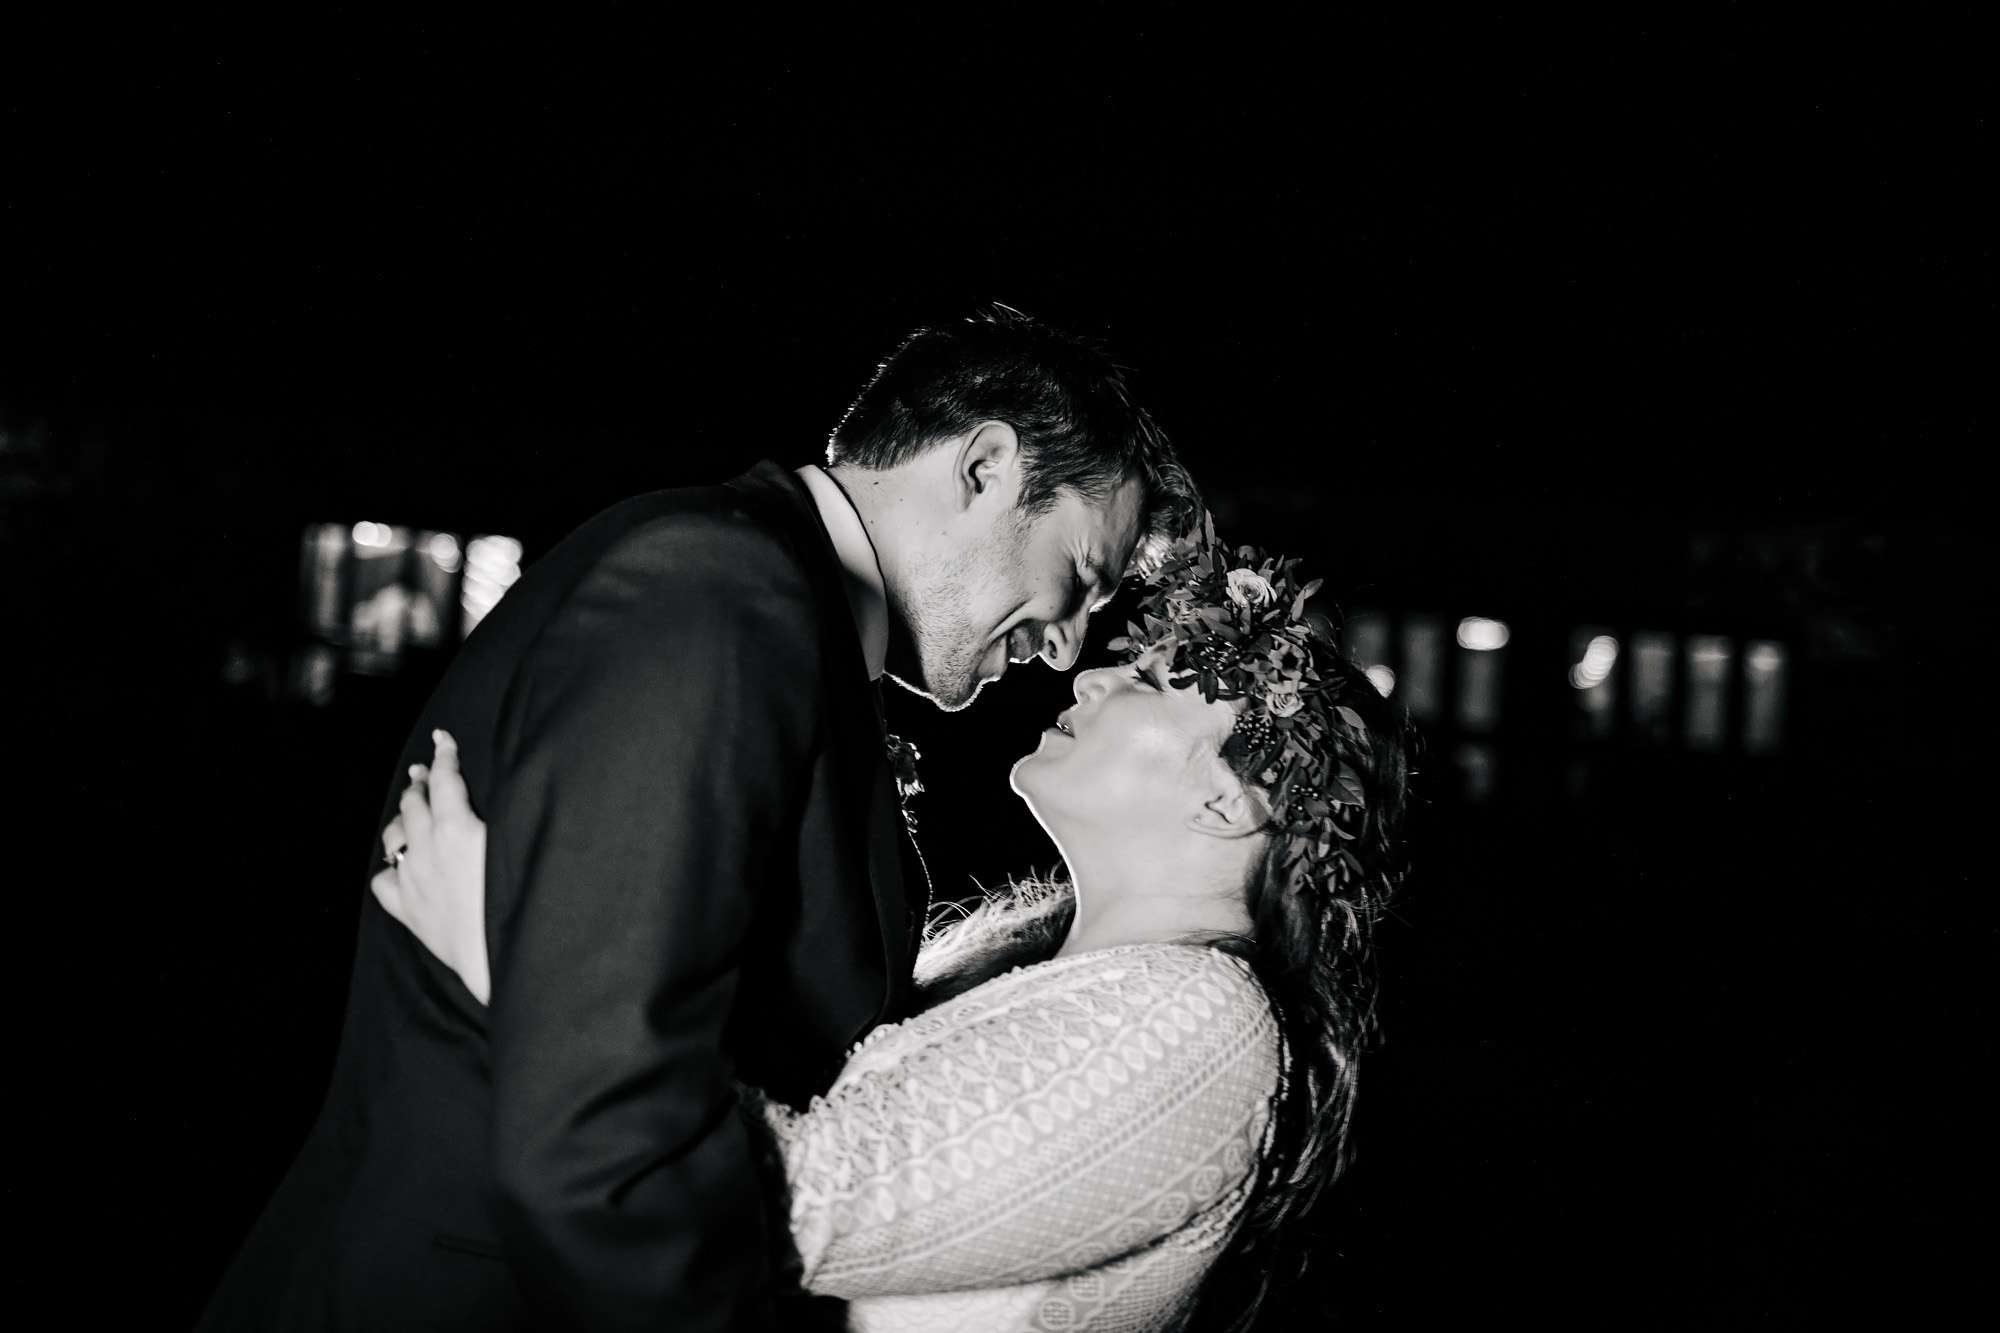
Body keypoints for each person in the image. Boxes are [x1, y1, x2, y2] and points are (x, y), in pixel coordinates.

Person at [197, 306, 1198, 1332]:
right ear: (983, 469)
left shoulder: (786, 628)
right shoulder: (715, 593)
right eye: (1078, 576)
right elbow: (600, 1148)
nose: (1070, 649)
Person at [375, 519, 1415, 1332]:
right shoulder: (1020, 958)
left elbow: (792, 1204)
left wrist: (507, 947)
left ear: (1230, 803)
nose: (1090, 671)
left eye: (1145, 680)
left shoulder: (1201, 1029)